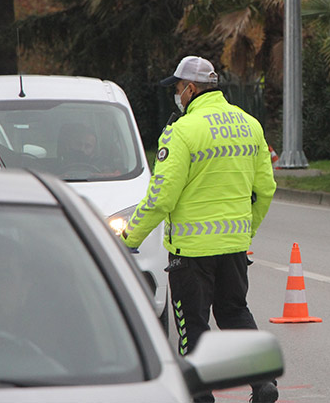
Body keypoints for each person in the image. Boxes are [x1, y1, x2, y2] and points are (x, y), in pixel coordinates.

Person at [121, 55, 278, 403]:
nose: (176, 95)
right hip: (234, 246)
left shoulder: (182, 132)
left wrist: (127, 238)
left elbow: (160, 198)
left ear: (190, 89)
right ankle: (263, 382)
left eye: (178, 88)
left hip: (190, 254)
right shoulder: (250, 125)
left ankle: (201, 395)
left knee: (193, 324)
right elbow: (266, 189)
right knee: (235, 311)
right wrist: (246, 231)